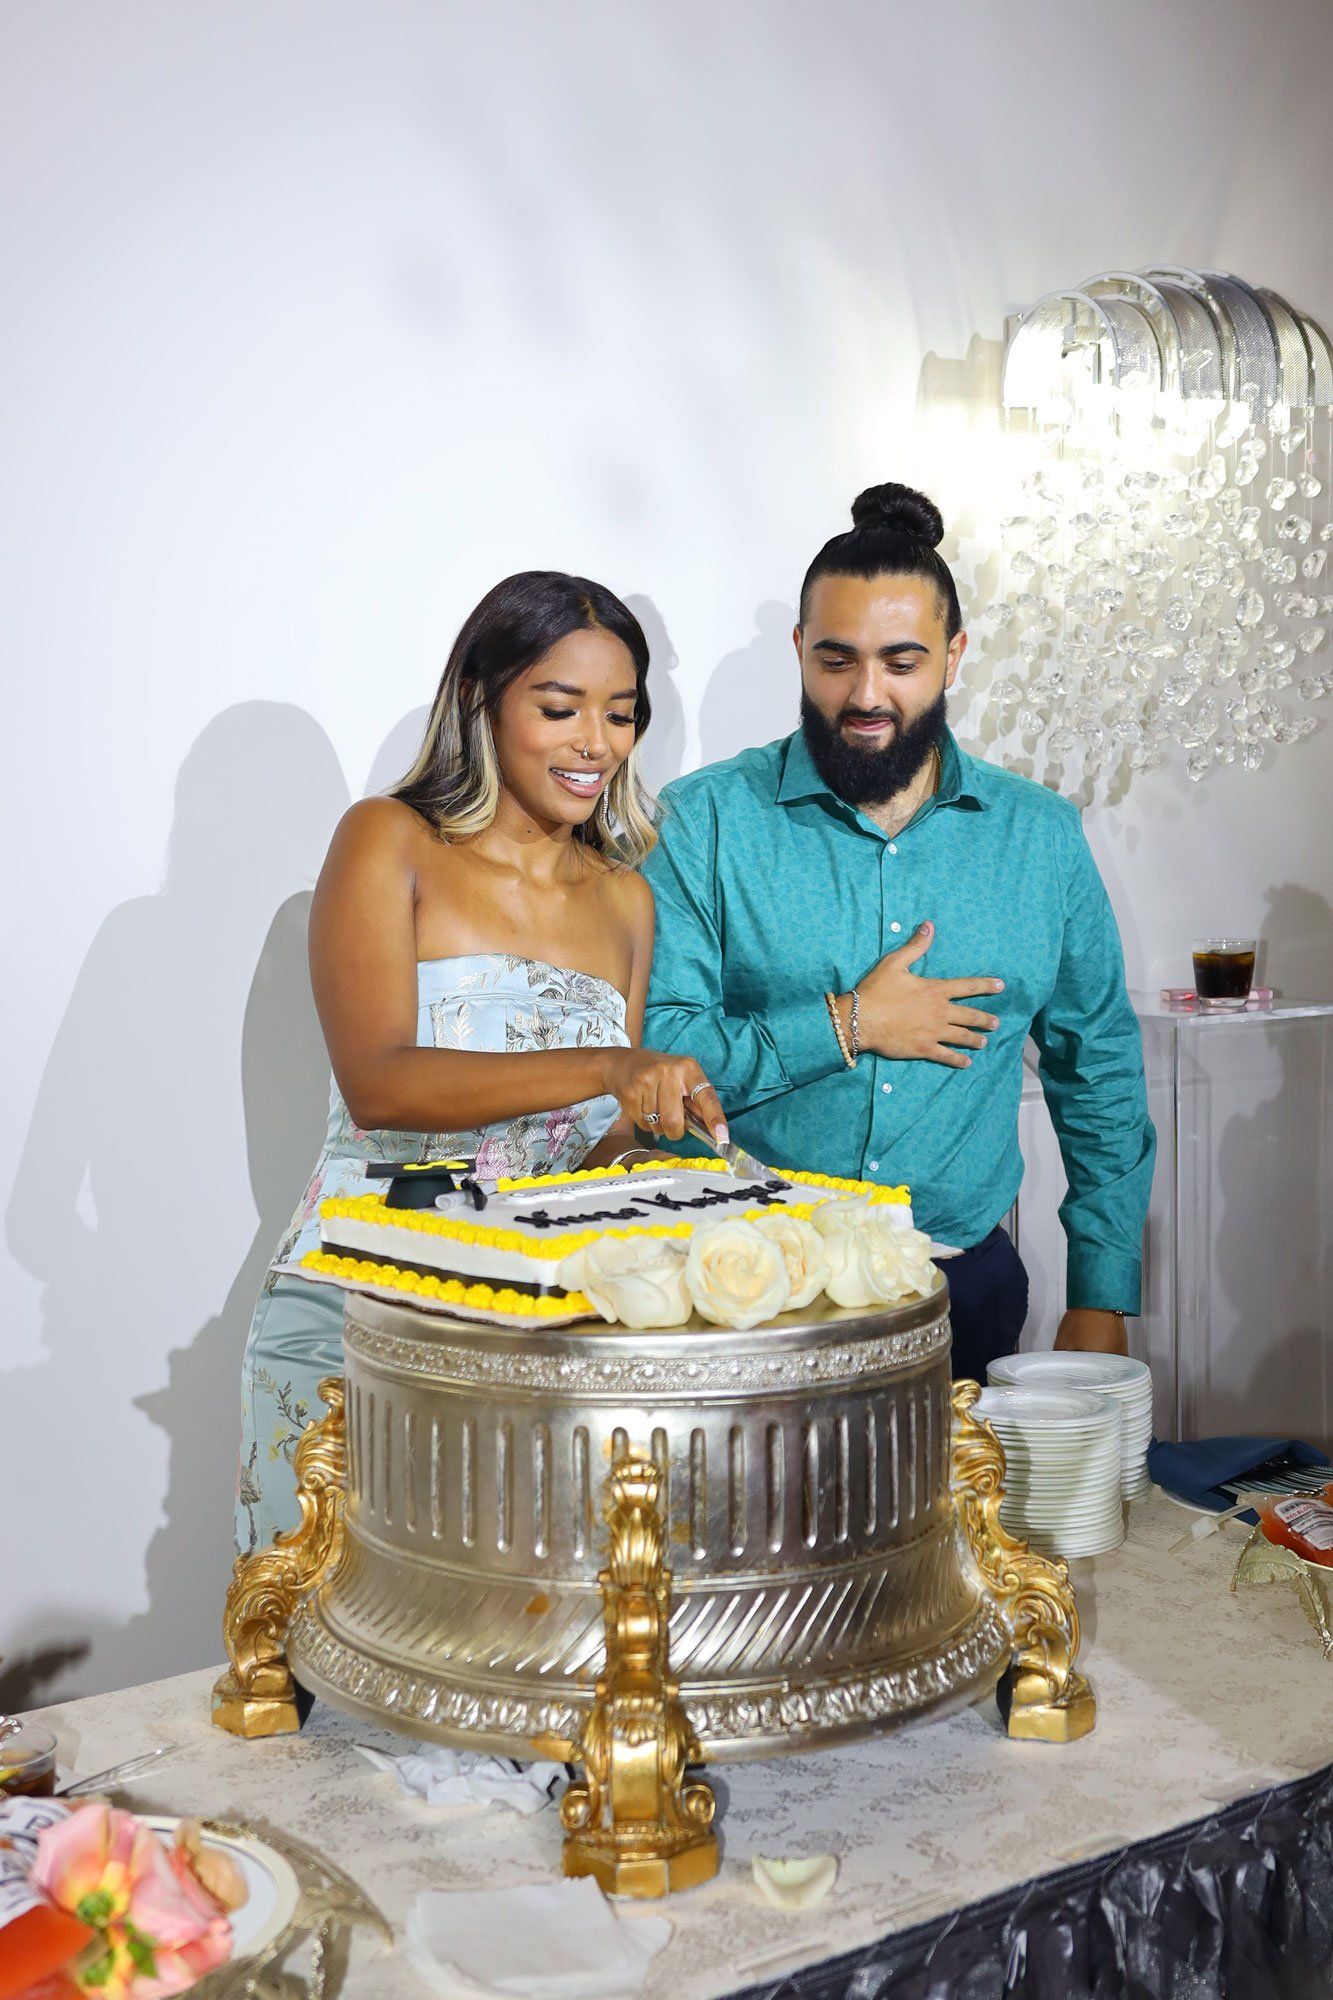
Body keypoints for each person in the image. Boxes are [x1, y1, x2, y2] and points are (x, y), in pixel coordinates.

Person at [235, 571, 726, 1554]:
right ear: (478, 699)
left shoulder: (626, 897)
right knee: (309, 1654)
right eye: (560, 707)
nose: (597, 742)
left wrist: (651, 1137)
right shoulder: (388, 839)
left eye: (621, 715)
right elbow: (379, 1082)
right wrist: (605, 1065)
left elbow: (599, 1141)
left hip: (540, 1328)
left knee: (502, 1657)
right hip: (361, 1304)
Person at [642, 483, 1155, 1380]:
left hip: (966, 1290)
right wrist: (849, 1025)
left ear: (954, 656)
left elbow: (1097, 1066)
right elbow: (658, 1051)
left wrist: (1101, 1293)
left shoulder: (1037, 836)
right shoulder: (704, 821)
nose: (865, 694)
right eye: (836, 661)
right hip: (737, 1295)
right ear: (799, 651)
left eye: (901, 661)